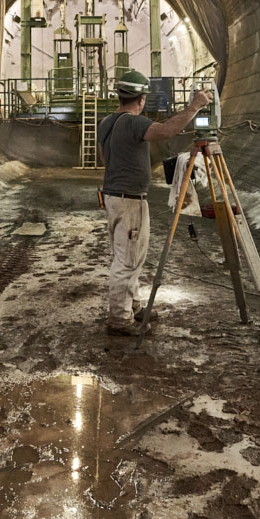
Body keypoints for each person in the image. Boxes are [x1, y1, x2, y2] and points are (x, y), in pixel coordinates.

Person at [96, 70, 212, 336]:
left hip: (114, 196)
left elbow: (104, 157)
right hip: (130, 201)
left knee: (128, 255)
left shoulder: (106, 122)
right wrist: (195, 105)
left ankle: (133, 306)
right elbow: (167, 131)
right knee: (127, 261)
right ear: (141, 99)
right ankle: (119, 320)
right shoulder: (133, 123)